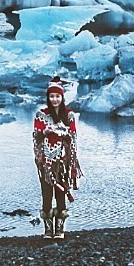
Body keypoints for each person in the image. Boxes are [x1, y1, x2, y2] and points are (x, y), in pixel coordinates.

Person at [32, 80, 81, 240]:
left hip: (62, 162)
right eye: (52, 96)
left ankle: (60, 230)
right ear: (48, 97)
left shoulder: (69, 115)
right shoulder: (41, 115)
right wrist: (44, 133)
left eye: (57, 96)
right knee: (46, 195)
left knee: (61, 193)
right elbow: (35, 137)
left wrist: (64, 135)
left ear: (62, 97)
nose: (55, 99)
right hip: (46, 162)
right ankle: (48, 230)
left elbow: (73, 137)